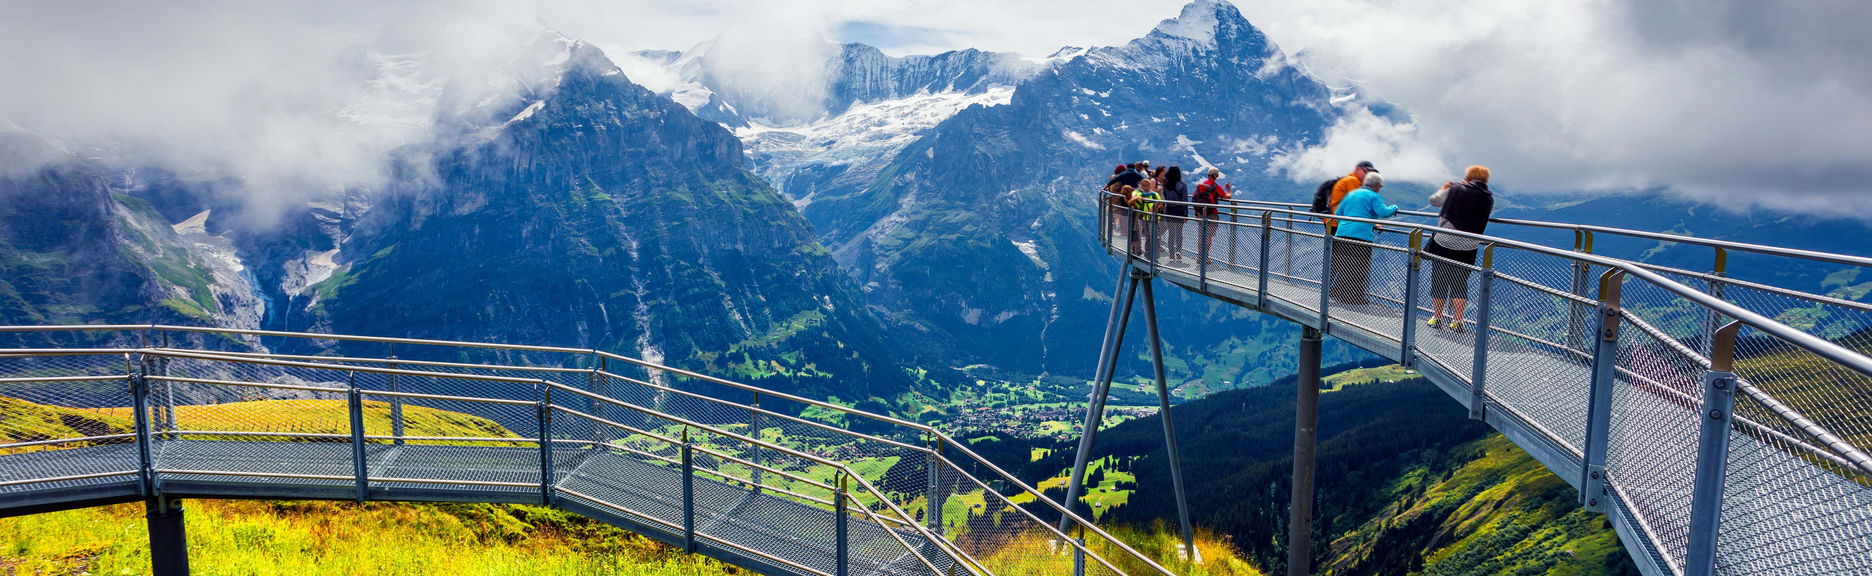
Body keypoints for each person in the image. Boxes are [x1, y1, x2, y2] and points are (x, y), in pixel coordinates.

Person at [1424, 166, 1496, 333]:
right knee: (1460, 282)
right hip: (1469, 245)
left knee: (1440, 279)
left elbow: (1435, 201)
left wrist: (1445, 188)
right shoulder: (1488, 198)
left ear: (1468, 176)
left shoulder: (1455, 189)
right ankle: (1457, 321)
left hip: (1444, 240)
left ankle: (1437, 318)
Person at [1329, 171, 1399, 305]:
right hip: (1360, 238)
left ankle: (1340, 295)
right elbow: (1383, 212)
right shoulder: (1373, 196)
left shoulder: (1352, 194)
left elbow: (1338, 213)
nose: (1380, 189)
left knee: (1344, 266)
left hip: (1342, 234)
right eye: (1380, 186)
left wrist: (1346, 227)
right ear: (1376, 185)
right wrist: (1395, 207)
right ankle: (1354, 298)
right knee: (1359, 268)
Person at [1324, 160, 1378, 234]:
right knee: (1343, 245)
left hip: (1333, 221)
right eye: (1366, 171)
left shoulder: (1352, 180)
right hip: (1338, 222)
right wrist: (1373, 223)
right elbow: (1357, 205)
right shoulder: (1352, 181)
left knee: (1334, 244)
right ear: (1358, 169)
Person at [1193, 167, 1231, 258]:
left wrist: (1196, 213)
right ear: (1216, 176)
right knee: (1209, 236)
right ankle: (1205, 257)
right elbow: (1227, 197)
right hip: (1212, 213)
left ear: (1208, 175)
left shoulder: (1201, 186)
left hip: (1201, 213)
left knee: (1201, 236)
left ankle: (1199, 256)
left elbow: (1194, 199)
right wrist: (1229, 190)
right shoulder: (1216, 187)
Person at [1161, 166, 1190, 262]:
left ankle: (1171, 254)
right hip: (1179, 210)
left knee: (1171, 233)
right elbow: (1184, 200)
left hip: (1169, 210)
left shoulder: (1166, 184)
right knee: (1179, 232)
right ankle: (1178, 251)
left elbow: (1164, 197)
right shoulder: (1182, 184)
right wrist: (1186, 214)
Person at [1130, 181, 1164, 260]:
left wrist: (1154, 208)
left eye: (1147, 185)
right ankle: (1148, 254)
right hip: (1144, 218)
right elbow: (1133, 202)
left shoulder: (1154, 194)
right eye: (1144, 185)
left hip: (1154, 219)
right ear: (1141, 186)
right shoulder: (1140, 195)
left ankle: (1155, 255)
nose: (1146, 187)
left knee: (1154, 237)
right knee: (1148, 237)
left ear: (1150, 186)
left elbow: (1161, 204)